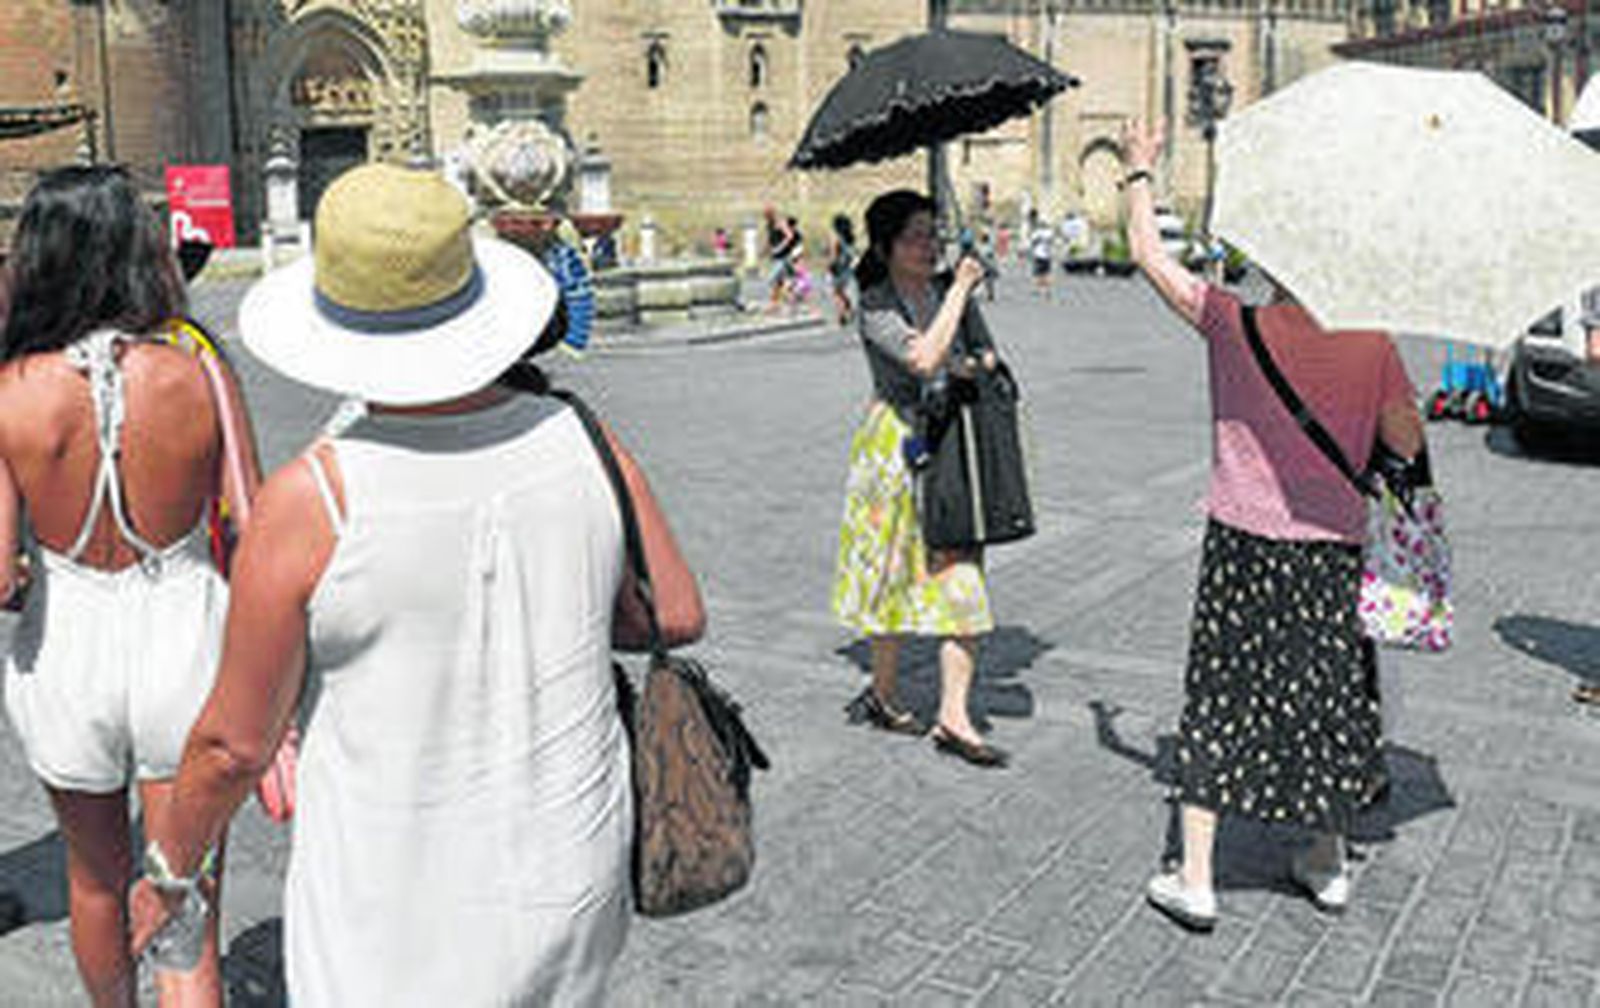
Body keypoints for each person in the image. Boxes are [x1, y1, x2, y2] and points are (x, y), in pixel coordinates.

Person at [129, 164, 706, 1006]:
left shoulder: (313, 498)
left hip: (400, 900)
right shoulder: (583, 435)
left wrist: (169, 871)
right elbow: (677, 612)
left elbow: (233, 746)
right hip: (570, 870)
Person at [1120, 119, 1425, 931]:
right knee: (1324, 695)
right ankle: (1326, 861)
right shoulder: (1374, 342)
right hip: (1331, 548)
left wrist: (1140, 171)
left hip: (1243, 544)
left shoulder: (1234, 322)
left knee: (1220, 694)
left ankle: (1196, 877)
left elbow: (1149, 256)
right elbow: (1406, 444)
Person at [0, 165, 260, 1007]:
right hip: (184, 633)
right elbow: (251, 524)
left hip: (66, 646)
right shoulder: (197, 370)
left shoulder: (10, 391)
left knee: (95, 881)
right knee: (187, 898)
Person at [832, 189, 1008, 768]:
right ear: (886, 247)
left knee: (962, 572)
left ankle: (954, 716)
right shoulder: (876, 304)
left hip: (951, 441)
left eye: (933, 233)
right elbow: (923, 360)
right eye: (915, 236)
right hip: (894, 448)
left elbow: (984, 356)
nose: (929, 245)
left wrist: (966, 356)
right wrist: (958, 295)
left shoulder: (947, 293)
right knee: (891, 577)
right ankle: (882, 695)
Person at [829, 213, 859, 327]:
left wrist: (830, 265)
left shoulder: (835, 238)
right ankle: (849, 309)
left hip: (838, 268)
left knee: (837, 292)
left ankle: (842, 315)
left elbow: (833, 255)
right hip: (847, 268)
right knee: (841, 291)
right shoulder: (850, 237)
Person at [1027, 210, 1054, 299]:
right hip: (1047, 255)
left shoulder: (1037, 233)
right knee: (1046, 273)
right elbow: (1051, 242)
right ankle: (1047, 290)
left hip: (1038, 254)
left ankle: (1039, 290)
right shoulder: (1049, 233)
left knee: (1038, 273)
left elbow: (1033, 242)